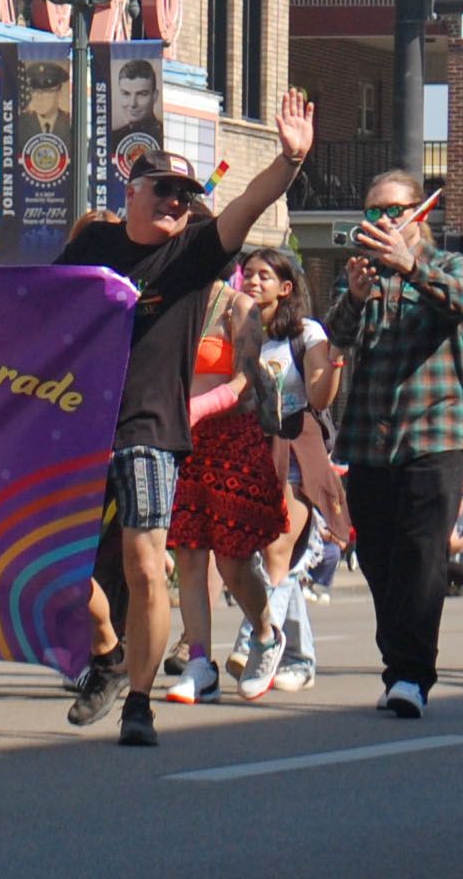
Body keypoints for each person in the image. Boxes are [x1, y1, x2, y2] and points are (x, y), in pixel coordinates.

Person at [54, 87, 313, 748]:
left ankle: (138, 701)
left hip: (150, 429)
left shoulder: (194, 252)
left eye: (184, 194)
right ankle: (109, 652)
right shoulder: (94, 246)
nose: (175, 202)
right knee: (58, 564)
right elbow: (25, 308)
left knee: (146, 567)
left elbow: (248, 206)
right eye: (163, 190)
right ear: (133, 191)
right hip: (79, 426)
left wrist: (289, 161)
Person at [327, 169, 463, 720]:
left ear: (420, 212)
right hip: (371, 438)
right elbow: (336, 336)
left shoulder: (451, 266)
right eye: (374, 213)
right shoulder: (362, 276)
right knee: (377, 558)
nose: (383, 221)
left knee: (422, 556)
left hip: (434, 434)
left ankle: (411, 673)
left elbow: (461, 302)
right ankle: (399, 662)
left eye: (393, 211)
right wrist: (355, 296)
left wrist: (410, 267)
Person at [221, 245, 345, 694]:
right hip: (251, 451)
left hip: (296, 448)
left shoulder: (307, 332)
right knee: (274, 560)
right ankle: (300, 657)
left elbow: (319, 395)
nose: (252, 281)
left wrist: (333, 365)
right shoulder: (236, 328)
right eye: (247, 274)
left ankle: (255, 639)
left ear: (286, 287)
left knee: (278, 548)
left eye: (263, 276)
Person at [163, 284, 292, 705]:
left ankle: (267, 633)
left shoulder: (239, 308)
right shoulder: (170, 302)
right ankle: (200, 663)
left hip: (232, 440)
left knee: (233, 561)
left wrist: (203, 405)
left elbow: (244, 378)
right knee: (189, 556)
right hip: (185, 442)